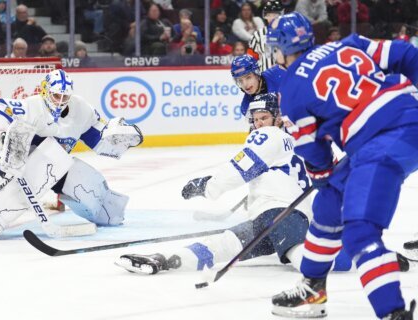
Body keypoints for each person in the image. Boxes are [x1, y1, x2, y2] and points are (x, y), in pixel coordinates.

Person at [266, 12, 418, 319]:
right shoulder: (347, 43)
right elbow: (405, 53)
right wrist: (328, 182)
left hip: (383, 142)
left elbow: (312, 149)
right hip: (403, 120)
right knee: (331, 200)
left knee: (359, 232)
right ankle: (312, 286)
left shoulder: (291, 90)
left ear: (280, 48)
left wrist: (320, 174)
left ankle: (392, 312)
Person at [115, 93, 316, 275]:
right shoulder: (295, 142)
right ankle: (164, 261)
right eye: (255, 120)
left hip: (280, 213)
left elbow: (243, 166)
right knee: (223, 244)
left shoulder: (270, 135)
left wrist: (208, 186)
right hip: (271, 216)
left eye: (264, 118)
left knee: (307, 262)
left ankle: (337, 256)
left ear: (278, 118)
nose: (259, 124)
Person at [0, 69, 143, 239]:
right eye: (56, 95)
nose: (60, 101)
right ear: (45, 91)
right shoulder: (32, 106)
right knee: (53, 157)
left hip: (58, 166)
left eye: (65, 96)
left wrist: (117, 139)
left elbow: (98, 140)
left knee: (98, 199)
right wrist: (3, 133)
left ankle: (108, 212)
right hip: (23, 164)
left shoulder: (81, 110)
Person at [230, 54, 285, 119]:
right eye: (240, 81)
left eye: (248, 77)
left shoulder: (279, 74)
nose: (245, 84)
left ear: (257, 73)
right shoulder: (246, 107)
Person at [248, 0, 284, 71]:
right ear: (265, 16)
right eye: (269, 15)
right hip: (265, 74)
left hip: (284, 75)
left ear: (281, 15)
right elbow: (251, 57)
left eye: (275, 15)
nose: (272, 18)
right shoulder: (258, 34)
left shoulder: (288, 32)